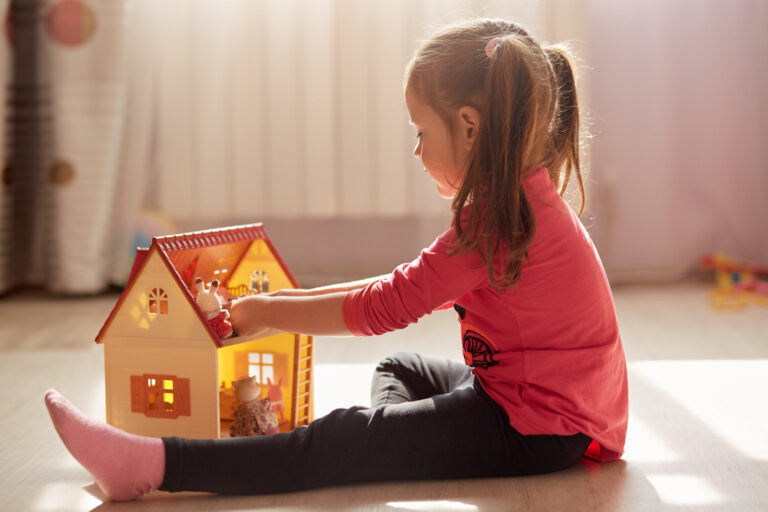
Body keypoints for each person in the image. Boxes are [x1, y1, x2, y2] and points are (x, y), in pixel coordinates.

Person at [44, 18, 627, 501]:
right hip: (534, 401)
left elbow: (381, 307)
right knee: (400, 369)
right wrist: (274, 305)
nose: (416, 149)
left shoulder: (497, 224)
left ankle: (153, 465)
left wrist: (268, 312)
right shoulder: (523, 200)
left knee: (344, 435)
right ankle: (391, 448)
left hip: (535, 428)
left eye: (421, 132)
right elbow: (397, 287)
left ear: (470, 127)